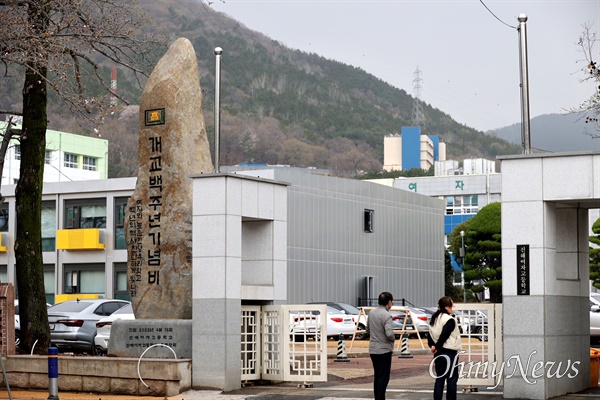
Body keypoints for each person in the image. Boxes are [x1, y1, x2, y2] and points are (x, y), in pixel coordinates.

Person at [428, 296, 462, 400]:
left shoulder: (434, 318)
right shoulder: (449, 320)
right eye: (452, 304)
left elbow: (429, 335)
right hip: (449, 352)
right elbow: (444, 335)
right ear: (447, 307)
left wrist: (433, 346)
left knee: (439, 379)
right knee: (451, 379)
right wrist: (437, 346)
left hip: (438, 353)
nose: (454, 306)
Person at [366, 291, 396, 400]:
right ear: (389, 302)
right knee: (384, 377)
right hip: (384, 349)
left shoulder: (372, 313)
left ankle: (377, 397)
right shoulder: (387, 315)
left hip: (373, 349)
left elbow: (367, 330)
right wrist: (393, 338)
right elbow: (389, 333)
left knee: (377, 376)